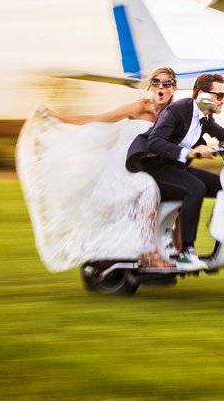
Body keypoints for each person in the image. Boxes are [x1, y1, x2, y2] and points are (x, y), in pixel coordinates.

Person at [16, 67, 179, 271]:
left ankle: (174, 248)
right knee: (149, 189)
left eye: (166, 84)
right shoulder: (139, 108)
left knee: (178, 191)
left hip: (142, 168)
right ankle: (148, 253)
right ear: (151, 86)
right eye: (156, 82)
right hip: (119, 168)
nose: (160, 87)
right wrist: (59, 118)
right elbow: (99, 119)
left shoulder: (175, 116)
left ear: (174, 88)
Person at [126, 73, 224, 271]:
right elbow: (155, 142)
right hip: (155, 169)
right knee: (195, 187)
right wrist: (192, 152)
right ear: (201, 95)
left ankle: (223, 244)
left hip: (174, 169)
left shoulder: (206, 117)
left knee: (223, 186)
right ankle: (186, 252)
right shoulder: (176, 111)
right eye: (219, 95)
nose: (223, 100)